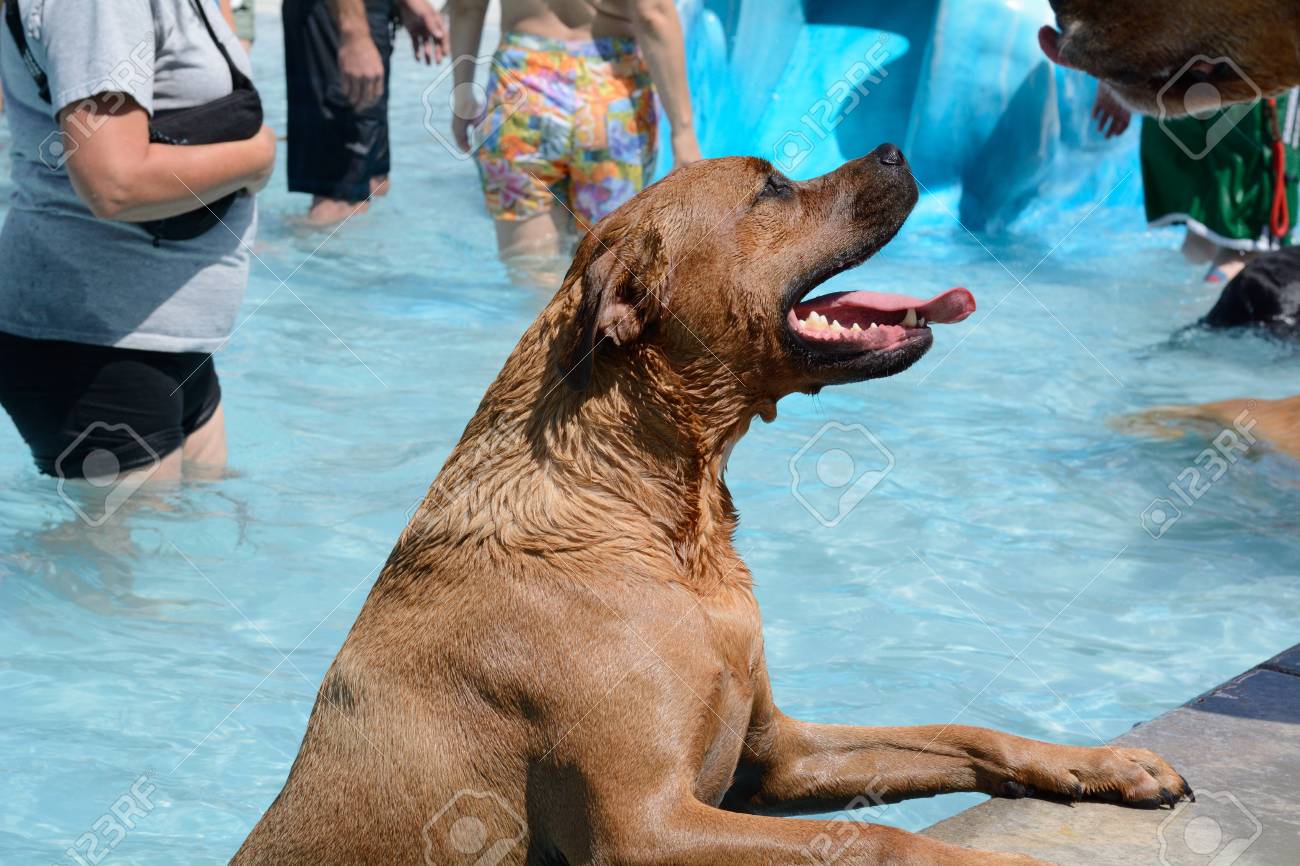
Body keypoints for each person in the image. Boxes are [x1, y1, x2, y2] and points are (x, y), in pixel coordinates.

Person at [0, 0, 276, 487]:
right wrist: (257, 157)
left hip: (167, 333)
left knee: (199, 533)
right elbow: (113, 182)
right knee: (115, 561)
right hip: (94, 345)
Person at [448, 0, 702, 260]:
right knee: (604, 267)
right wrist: (683, 131)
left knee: (532, 266)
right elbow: (653, 13)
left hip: (520, 92)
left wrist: (463, 94)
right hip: (609, 96)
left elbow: (466, 7)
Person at [1093, 82, 1299, 283]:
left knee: (1201, 236)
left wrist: (1112, 81)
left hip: (1171, 75)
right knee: (1250, 248)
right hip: (1250, 71)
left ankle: (1180, 306)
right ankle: (1212, 311)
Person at [283, 0, 448, 226]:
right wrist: (354, 33)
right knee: (340, 196)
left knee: (374, 181)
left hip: (365, 13)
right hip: (339, 12)